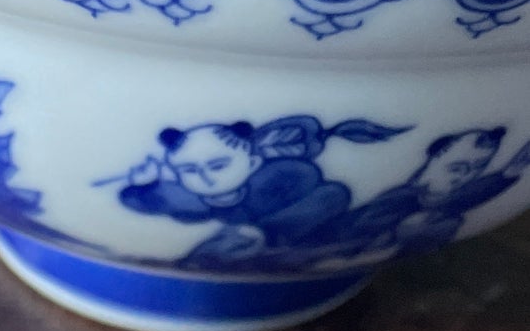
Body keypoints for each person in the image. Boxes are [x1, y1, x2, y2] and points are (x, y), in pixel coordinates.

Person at [118, 121, 353, 268]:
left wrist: (265, 234)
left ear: (253, 162)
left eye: (218, 166)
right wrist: (141, 178)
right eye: (189, 170)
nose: (205, 177)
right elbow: (134, 197)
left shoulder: (277, 179)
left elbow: (330, 194)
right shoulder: (180, 196)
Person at [328, 128, 530, 259]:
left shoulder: (434, 198)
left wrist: (508, 173)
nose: (464, 177)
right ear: (436, 157)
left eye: (477, 169)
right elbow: (356, 233)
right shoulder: (402, 197)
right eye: (457, 168)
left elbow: (463, 198)